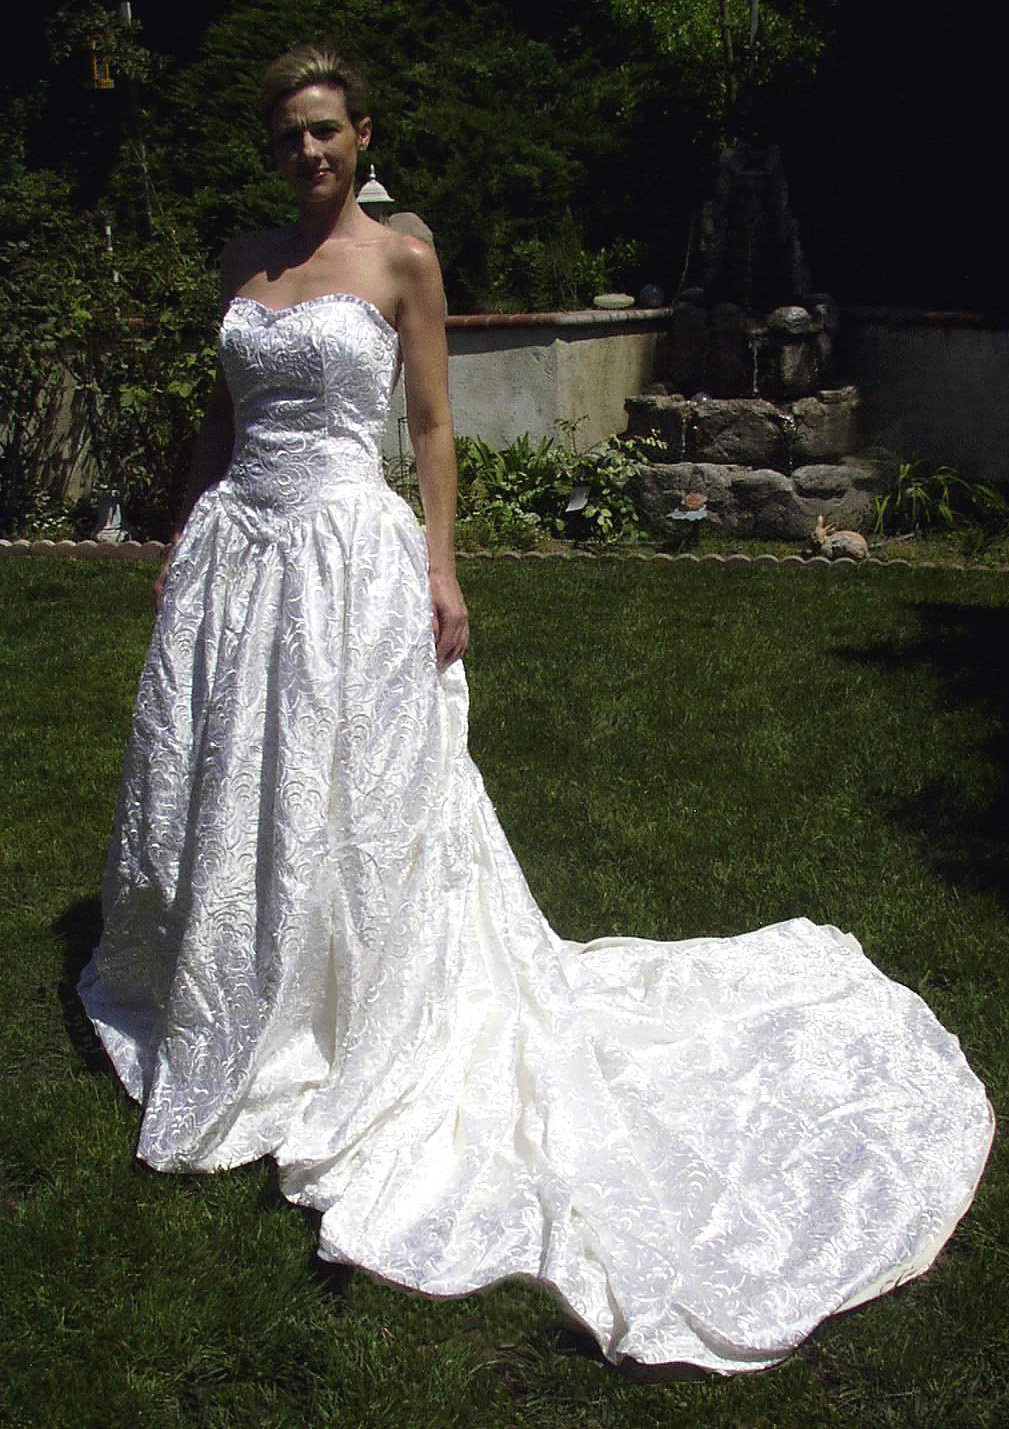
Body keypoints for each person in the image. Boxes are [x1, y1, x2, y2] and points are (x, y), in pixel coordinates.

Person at [80, 43, 994, 1376]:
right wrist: (180, 533)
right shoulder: (242, 256)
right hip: (238, 559)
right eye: (287, 136)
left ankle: (348, 1004)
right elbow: (220, 424)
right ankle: (245, 984)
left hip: (348, 558)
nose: (307, 154)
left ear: (362, 132)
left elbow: (436, 429)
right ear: (268, 148)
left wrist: (442, 567)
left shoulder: (402, 258)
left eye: (326, 131)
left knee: (352, 794)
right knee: (237, 786)